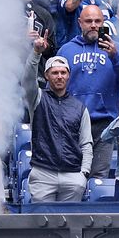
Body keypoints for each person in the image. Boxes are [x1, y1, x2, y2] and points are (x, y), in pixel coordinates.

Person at [56, 4, 119, 172]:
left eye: (98, 21)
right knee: (73, 176)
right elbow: (54, 87)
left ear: (104, 23)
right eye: (89, 21)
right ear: (80, 22)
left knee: (99, 176)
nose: (93, 25)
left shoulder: (117, 48)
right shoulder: (66, 50)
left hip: (104, 123)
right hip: (72, 122)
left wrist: (115, 57)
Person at [28, 55, 92, 202]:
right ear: (46, 76)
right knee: (40, 222)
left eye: (63, 73)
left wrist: (83, 174)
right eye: (54, 73)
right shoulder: (37, 99)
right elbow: (28, 81)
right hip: (43, 173)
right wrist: (36, 54)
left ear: (68, 75)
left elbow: (86, 144)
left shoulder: (80, 108)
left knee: (71, 224)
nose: (59, 77)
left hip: (73, 176)